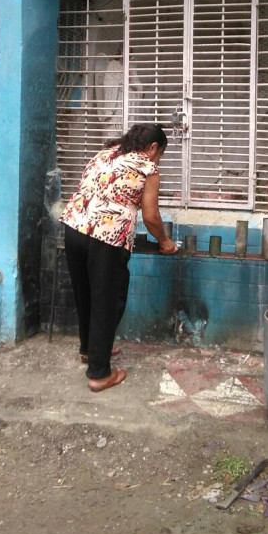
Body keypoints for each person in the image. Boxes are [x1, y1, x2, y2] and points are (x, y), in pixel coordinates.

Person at [60, 123, 178, 393]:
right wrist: (165, 242)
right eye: (160, 153)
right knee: (107, 300)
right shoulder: (148, 167)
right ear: (152, 147)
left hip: (74, 227)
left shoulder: (105, 154)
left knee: (85, 294)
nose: (158, 159)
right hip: (106, 236)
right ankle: (100, 374)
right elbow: (151, 216)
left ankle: (90, 351)